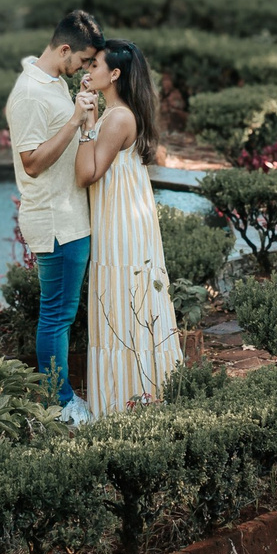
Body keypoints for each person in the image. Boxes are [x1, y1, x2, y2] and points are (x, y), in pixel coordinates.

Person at [74, 37, 183, 415]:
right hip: (121, 223)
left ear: (115, 74)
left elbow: (87, 173)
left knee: (121, 303)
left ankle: (123, 404)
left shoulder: (118, 118)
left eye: (96, 65)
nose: (88, 70)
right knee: (123, 303)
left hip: (120, 229)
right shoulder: (114, 114)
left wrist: (85, 124)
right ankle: (136, 396)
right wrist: (89, 119)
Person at [8, 10, 105, 422]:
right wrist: (73, 119)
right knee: (57, 317)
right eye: (82, 61)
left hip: (68, 216)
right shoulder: (30, 94)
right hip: (55, 222)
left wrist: (81, 106)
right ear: (64, 49)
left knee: (60, 314)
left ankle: (60, 398)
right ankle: (60, 404)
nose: (85, 67)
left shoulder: (51, 81)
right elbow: (31, 162)